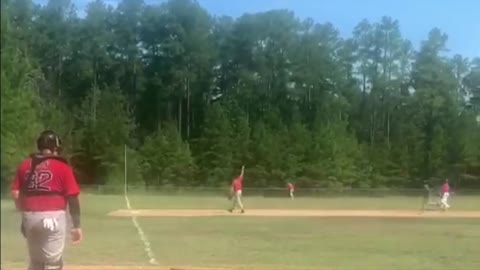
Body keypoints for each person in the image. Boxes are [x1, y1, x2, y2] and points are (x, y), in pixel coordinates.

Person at [10, 130, 83, 270]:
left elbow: (16, 194)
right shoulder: (63, 167)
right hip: (54, 218)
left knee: (36, 263)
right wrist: (77, 226)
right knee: (53, 263)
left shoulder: (25, 165)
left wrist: (25, 218)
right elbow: (72, 197)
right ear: (55, 148)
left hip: (30, 217)